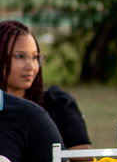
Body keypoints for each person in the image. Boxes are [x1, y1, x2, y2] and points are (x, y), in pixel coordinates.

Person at [0, 20, 89, 149]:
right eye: (20, 57)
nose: (31, 66)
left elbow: (83, 159)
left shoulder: (58, 105)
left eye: (34, 57)